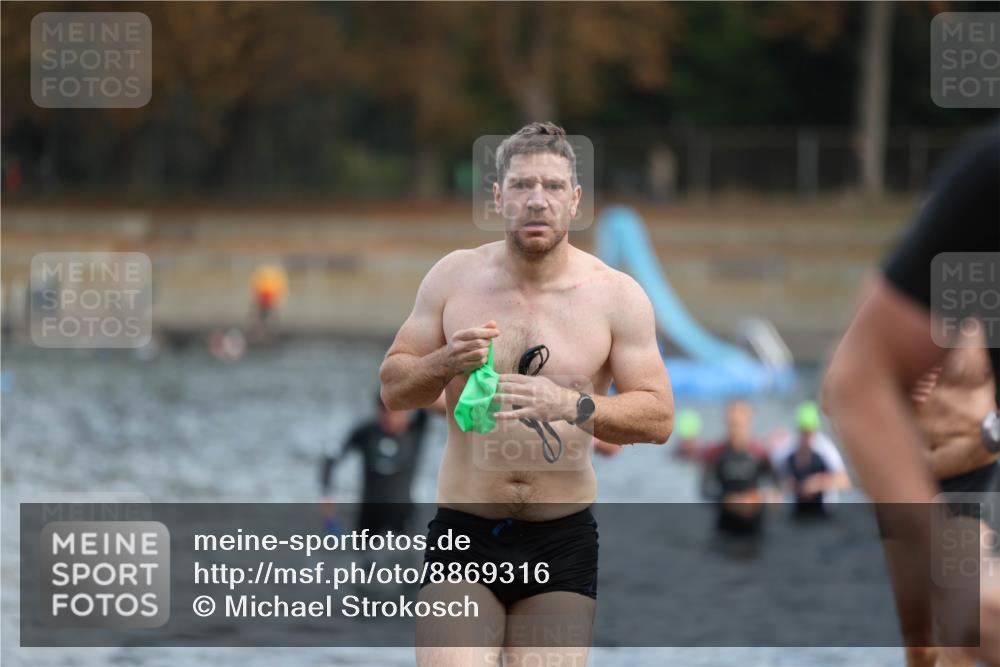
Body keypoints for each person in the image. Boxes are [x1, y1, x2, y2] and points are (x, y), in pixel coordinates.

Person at [378, 122, 673, 666]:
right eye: (522, 186)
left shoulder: (616, 296)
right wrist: (446, 361)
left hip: (560, 540)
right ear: (498, 197)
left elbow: (658, 417)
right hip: (464, 534)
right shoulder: (452, 278)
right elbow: (393, 388)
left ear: (575, 199)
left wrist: (573, 405)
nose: (537, 200)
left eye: (553, 186)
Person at [822, 128, 1000, 666]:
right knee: (920, 643)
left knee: (958, 637)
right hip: (914, 481)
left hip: (973, 471)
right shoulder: (916, 300)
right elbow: (853, 383)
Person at [320, 391, 444, 535]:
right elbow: (332, 457)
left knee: (407, 552)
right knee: (364, 555)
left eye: (397, 412)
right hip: (369, 515)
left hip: (403, 516)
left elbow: (430, 392)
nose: (391, 418)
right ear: (378, 411)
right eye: (386, 412)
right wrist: (327, 494)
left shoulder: (415, 431)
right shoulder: (366, 432)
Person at [700, 400, 777, 536]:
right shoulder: (715, 453)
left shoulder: (760, 453)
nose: (736, 430)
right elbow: (705, 490)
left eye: (740, 425)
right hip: (725, 527)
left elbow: (778, 485)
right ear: (726, 423)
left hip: (755, 528)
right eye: (732, 424)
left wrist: (758, 497)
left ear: (749, 422)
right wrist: (727, 500)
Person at [770, 402, 851, 518]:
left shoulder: (825, 449)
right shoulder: (788, 449)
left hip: (823, 512)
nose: (807, 437)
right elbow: (776, 474)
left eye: (810, 432)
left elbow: (844, 481)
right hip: (798, 513)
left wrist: (817, 483)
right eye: (803, 431)